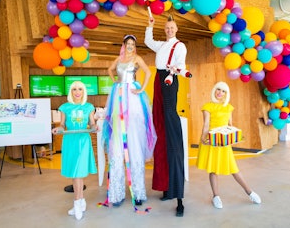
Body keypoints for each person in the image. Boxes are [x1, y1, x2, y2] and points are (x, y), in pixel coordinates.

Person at [102, 34, 157, 209]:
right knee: (117, 144)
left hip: (132, 97)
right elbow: (110, 70)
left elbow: (148, 72)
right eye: (128, 44)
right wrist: (115, 83)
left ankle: (138, 192)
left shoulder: (137, 59)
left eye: (133, 44)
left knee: (134, 141)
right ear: (124, 45)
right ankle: (117, 194)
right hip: (118, 96)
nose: (131, 46)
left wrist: (140, 88)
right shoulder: (119, 58)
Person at [144, 15, 187, 217]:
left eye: (171, 27)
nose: (169, 29)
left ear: (176, 28)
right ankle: (167, 188)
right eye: (167, 27)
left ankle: (177, 195)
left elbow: (182, 67)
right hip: (158, 81)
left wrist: (174, 70)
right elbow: (148, 42)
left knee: (170, 126)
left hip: (169, 81)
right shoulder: (161, 45)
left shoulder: (180, 46)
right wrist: (150, 26)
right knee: (159, 128)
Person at [196, 81, 262, 209]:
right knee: (213, 169)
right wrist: (203, 138)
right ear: (214, 90)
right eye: (218, 89)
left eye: (223, 91)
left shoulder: (228, 107)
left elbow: (230, 125)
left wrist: (236, 135)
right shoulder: (207, 107)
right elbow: (206, 125)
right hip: (212, 141)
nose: (220, 93)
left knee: (234, 169)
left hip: (224, 142)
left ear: (226, 94)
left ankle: (250, 192)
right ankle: (216, 197)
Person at [51, 81, 98, 221]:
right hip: (70, 141)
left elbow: (92, 124)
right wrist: (57, 129)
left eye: (80, 89)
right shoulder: (64, 107)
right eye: (74, 89)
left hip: (83, 142)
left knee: (78, 173)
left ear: (84, 92)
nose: (77, 92)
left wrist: (95, 127)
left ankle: (77, 204)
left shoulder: (89, 107)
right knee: (74, 173)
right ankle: (81, 202)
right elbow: (62, 125)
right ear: (71, 92)